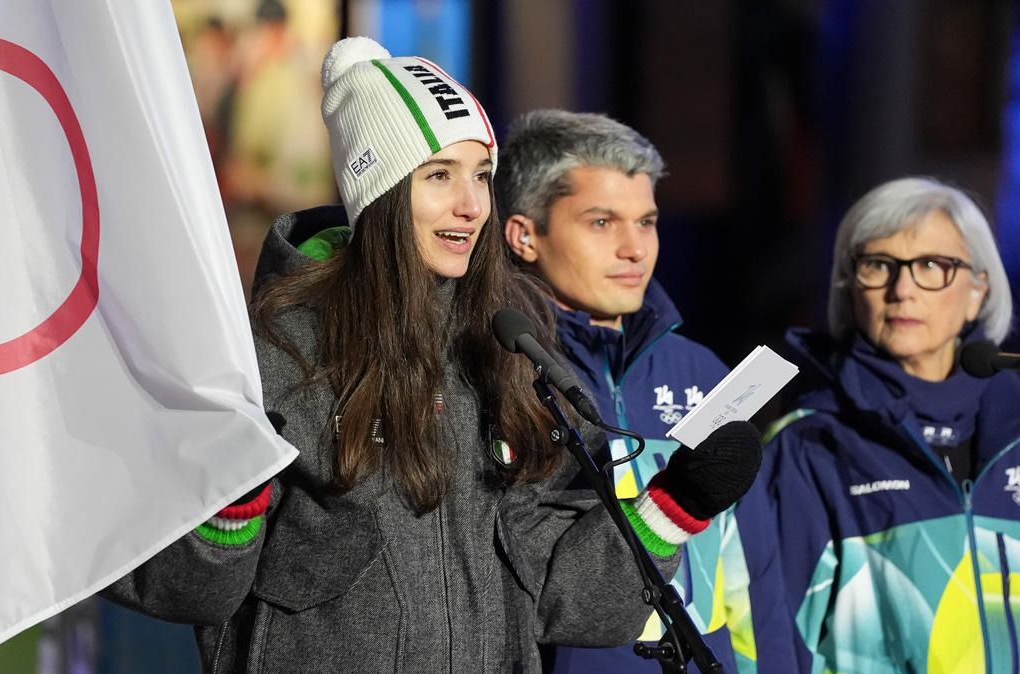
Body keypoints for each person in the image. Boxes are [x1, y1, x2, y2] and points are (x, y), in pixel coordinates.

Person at [103, 37, 761, 673]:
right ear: (380, 192)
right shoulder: (274, 351)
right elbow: (185, 591)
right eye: (439, 176)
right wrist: (230, 502)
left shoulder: (505, 348)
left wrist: (673, 506)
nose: (471, 205)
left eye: (482, 176)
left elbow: (568, 597)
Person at [497, 110, 765, 672]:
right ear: (524, 235)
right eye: (602, 222)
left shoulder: (704, 373)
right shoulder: (499, 376)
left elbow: (755, 577)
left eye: (646, 222)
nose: (635, 249)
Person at [741, 177, 1019, 673]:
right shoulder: (809, 446)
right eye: (878, 265)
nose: (902, 290)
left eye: (931, 265)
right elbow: (769, 644)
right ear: (850, 289)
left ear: (978, 290)